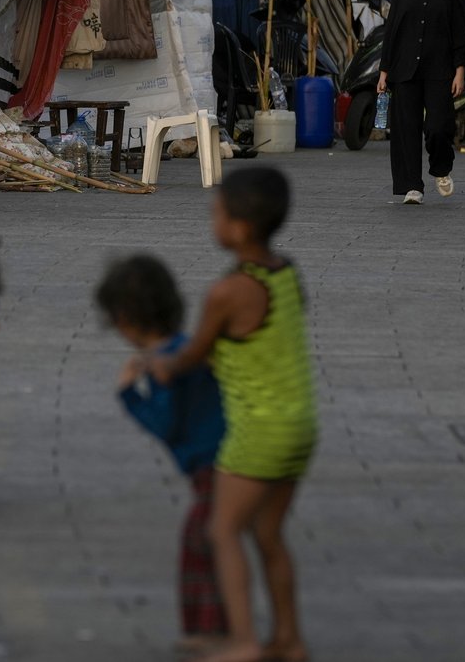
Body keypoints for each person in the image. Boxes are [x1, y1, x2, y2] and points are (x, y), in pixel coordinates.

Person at [149, 167, 316, 662]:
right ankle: (289, 639)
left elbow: (194, 354)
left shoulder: (228, 293)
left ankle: (244, 641)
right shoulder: (284, 271)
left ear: (239, 227)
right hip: (300, 424)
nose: (212, 221)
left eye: (216, 214)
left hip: (259, 430)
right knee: (268, 535)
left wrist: (162, 366)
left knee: (221, 531)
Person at [97, 255, 228, 654]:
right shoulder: (185, 347)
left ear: (123, 319)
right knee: (213, 542)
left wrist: (128, 394)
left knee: (200, 544)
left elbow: (165, 423)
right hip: (229, 460)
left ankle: (209, 630)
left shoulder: (163, 365)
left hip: (214, 466)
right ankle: (212, 627)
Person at [374, 0, 465, 205]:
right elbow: (392, 30)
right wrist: (384, 71)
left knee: (439, 126)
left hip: (440, 69)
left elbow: (460, 32)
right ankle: (411, 186)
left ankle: (441, 168)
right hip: (404, 69)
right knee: (405, 128)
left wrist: (460, 69)